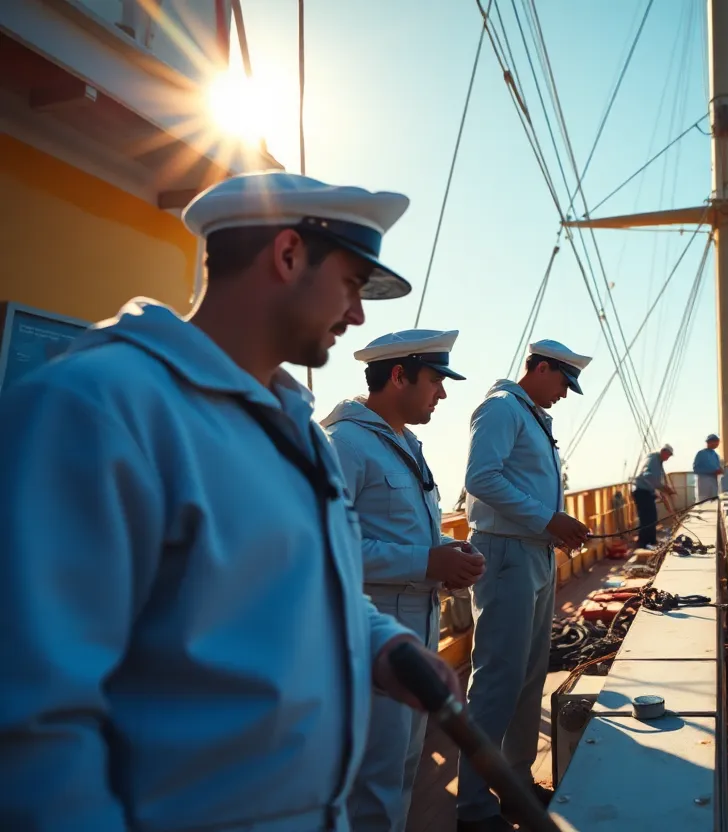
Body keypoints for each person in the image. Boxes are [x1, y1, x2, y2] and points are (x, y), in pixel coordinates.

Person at [0, 171, 462, 832]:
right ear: (288, 255)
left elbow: (304, 583)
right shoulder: (98, 409)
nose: (358, 314)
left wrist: (385, 646)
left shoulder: (292, 423)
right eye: (354, 285)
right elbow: (31, 728)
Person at [322, 329, 487, 831]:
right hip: (374, 631)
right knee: (377, 778)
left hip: (417, 622)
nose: (442, 392)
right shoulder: (343, 445)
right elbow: (327, 547)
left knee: (404, 767)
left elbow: (398, 527)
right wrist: (425, 562)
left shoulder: (404, 445)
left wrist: (446, 556)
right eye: (436, 379)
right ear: (399, 376)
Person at [459, 339, 592, 831]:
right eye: (562, 381)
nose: (563, 393)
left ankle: (514, 785)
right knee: (497, 681)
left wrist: (553, 528)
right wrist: (547, 519)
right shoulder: (500, 409)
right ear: (539, 368)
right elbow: (481, 478)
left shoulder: (532, 415)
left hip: (532, 552)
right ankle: (471, 807)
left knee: (529, 677)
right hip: (507, 554)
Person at [633, 444, 676, 548]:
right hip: (641, 491)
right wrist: (662, 487)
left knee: (652, 517)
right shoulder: (653, 459)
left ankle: (651, 541)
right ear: (663, 451)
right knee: (646, 518)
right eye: (668, 455)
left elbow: (653, 479)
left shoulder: (658, 461)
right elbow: (647, 475)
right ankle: (643, 543)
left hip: (647, 491)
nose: (668, 458)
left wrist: (660, 490)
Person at [692, 433, 724, 501]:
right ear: (709, 442)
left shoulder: (716, 455)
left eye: (717, 442)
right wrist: (711, 471)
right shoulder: (701, 453)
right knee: (703, 501)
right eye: (715, 441)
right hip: (703, 481)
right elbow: (696, 469)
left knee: (713, 501)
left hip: (714, 482)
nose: (716, 444)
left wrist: (721, 470)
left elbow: (718, 468)